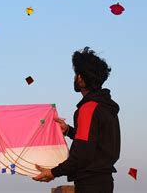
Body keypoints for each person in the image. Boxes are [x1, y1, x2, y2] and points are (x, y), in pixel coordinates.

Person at [33, 47, 121, 193]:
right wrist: (68, 130)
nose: (74, 78)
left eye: (76, 74)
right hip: (105, 182)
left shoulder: (88, 108)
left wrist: (53, 172)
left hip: (90, 185)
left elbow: (82, 153)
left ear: (81, 78)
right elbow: (95, 141)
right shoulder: (106, 106)